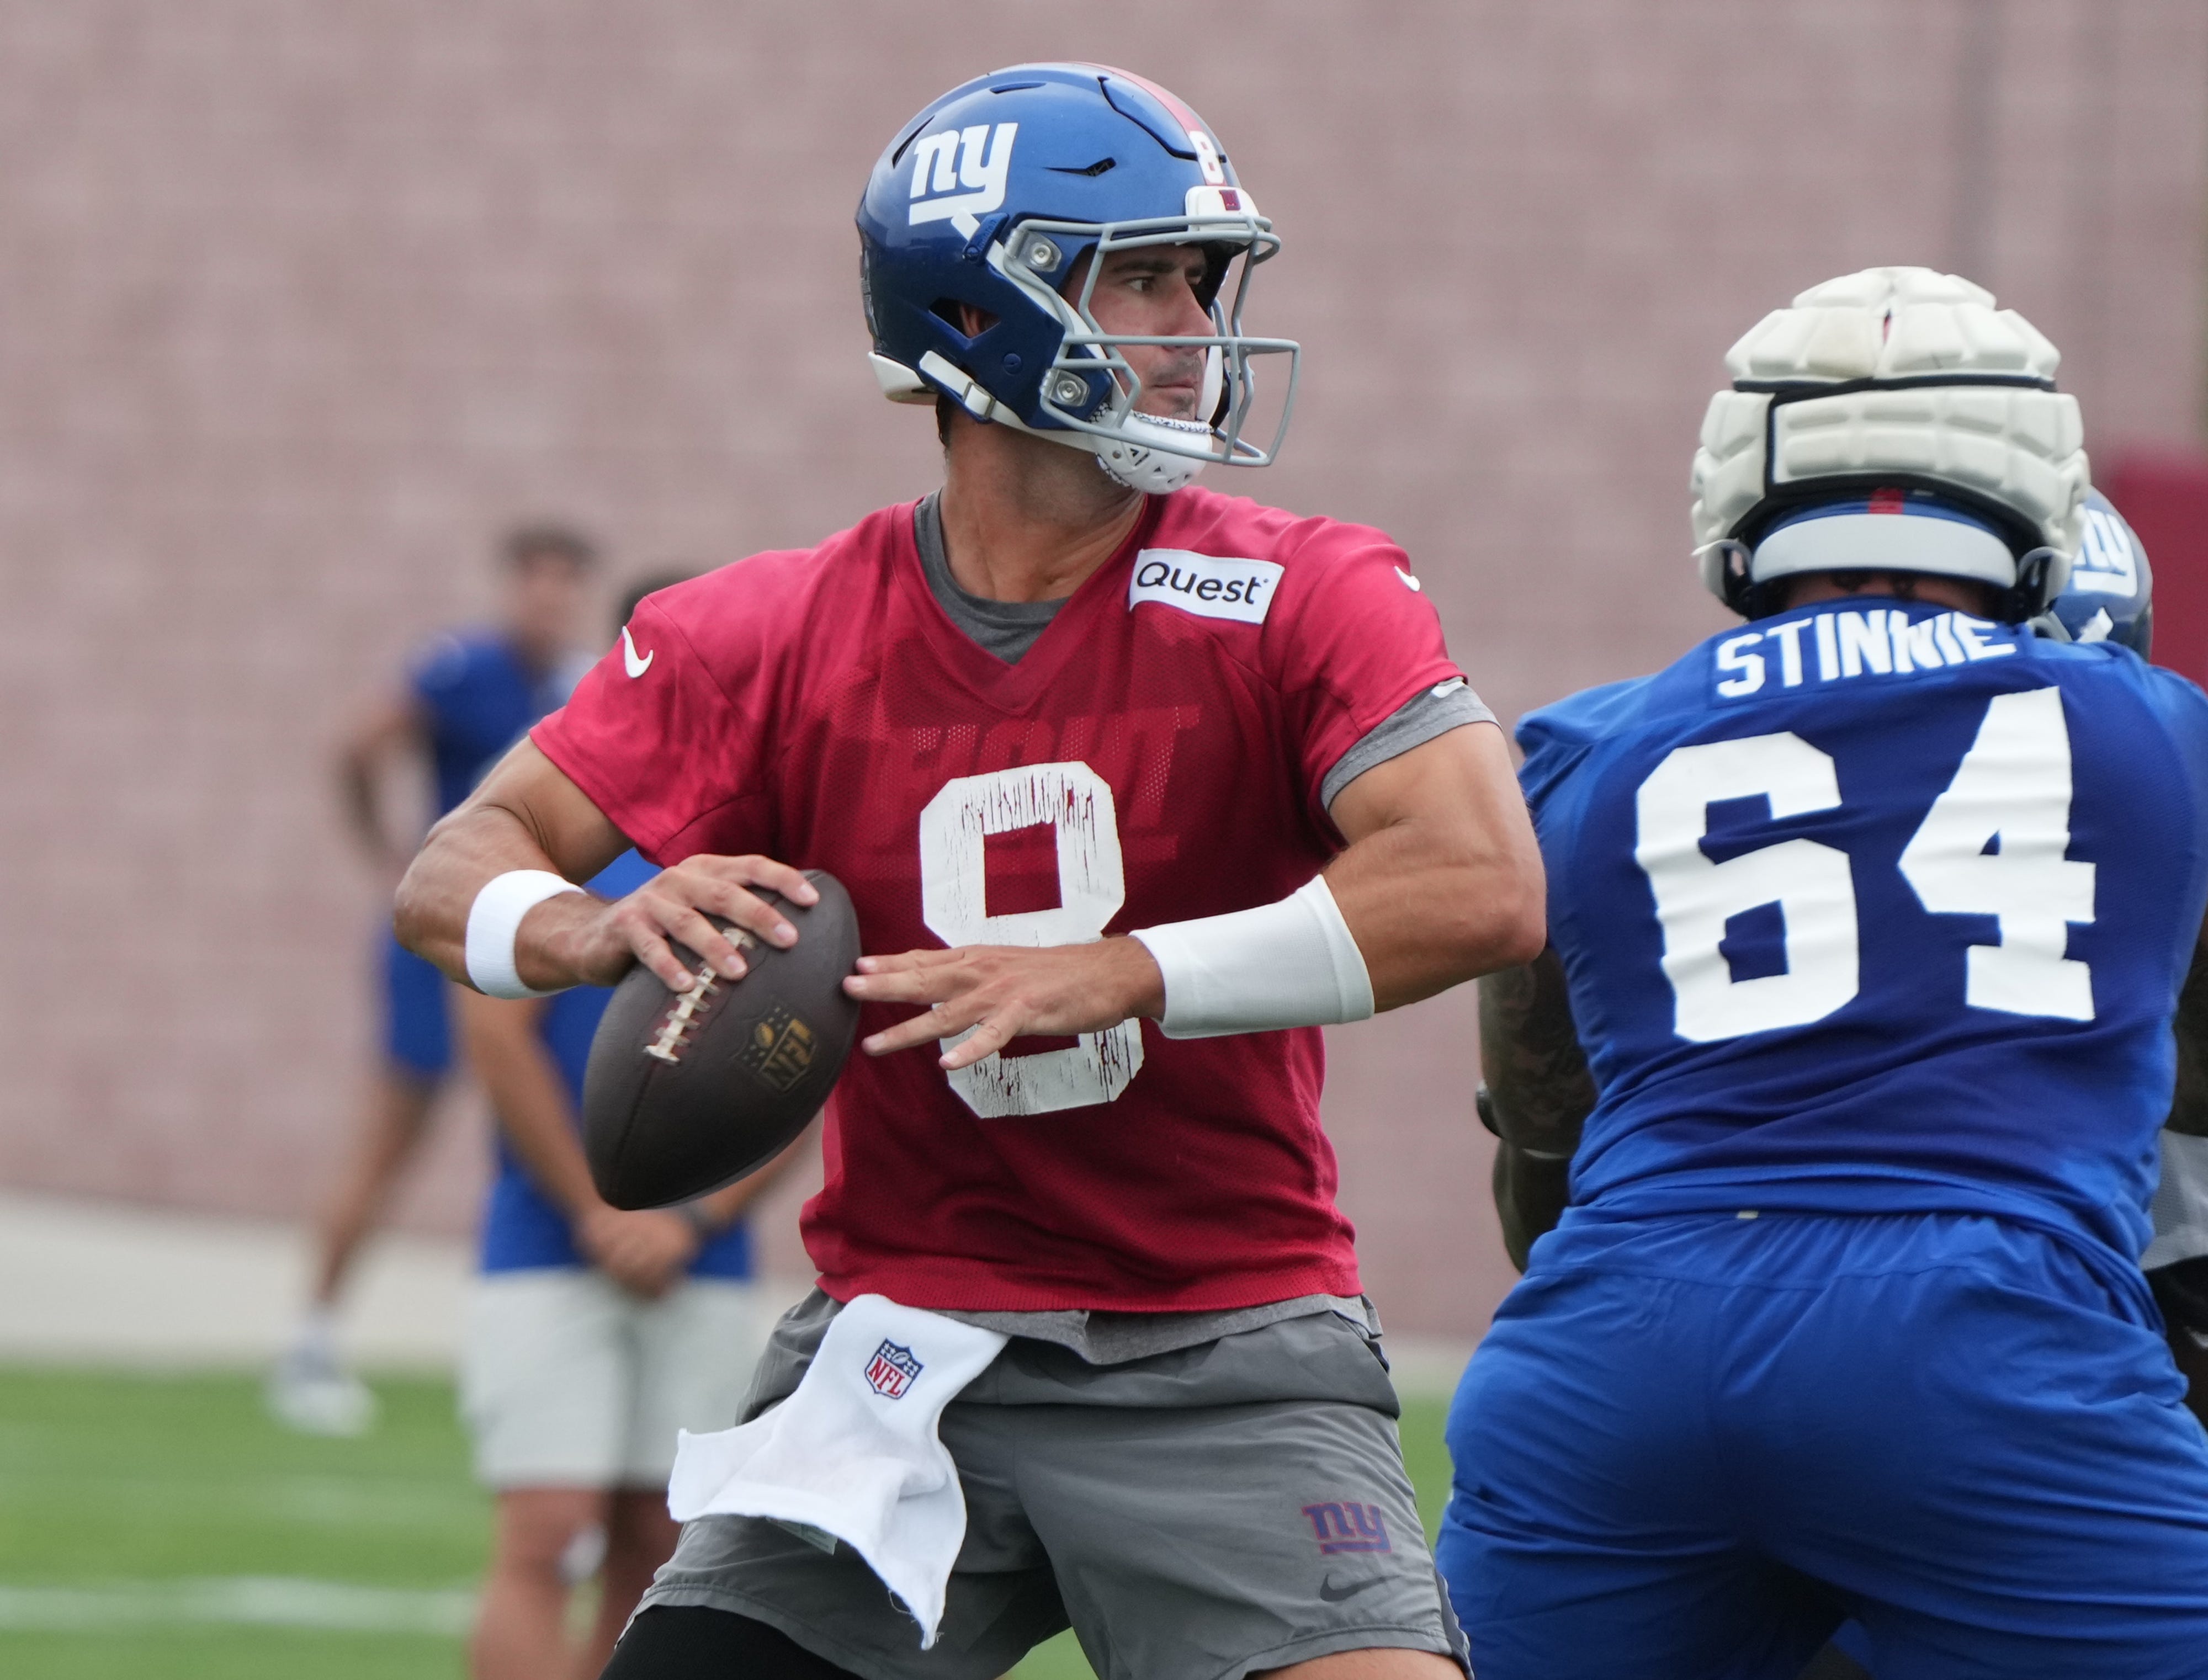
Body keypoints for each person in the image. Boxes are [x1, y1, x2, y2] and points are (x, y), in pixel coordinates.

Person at [395, 62, 1544, 1680]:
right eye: (1141, 274)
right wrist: (595, 924)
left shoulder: (1304, 590)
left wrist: (1132, 968)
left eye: (1201, 279)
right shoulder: (772, 626)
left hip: (1220, 1337)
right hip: (903, 1348)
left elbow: (1484, 881)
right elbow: (453, 868)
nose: (1194, 325)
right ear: (980, 306)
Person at [1442, 266, 2208, 1679]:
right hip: (1983, 1342)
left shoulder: (1574, 752)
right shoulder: (2159, 729)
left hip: (1615, 1346)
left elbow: (1541, 1152)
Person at [268, 525, 600, 1435]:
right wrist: (385, 853)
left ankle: (554, 1355)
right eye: (538, 580)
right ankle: (311, 1336)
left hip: (537, 939)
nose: (552, 599)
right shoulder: (463, 669)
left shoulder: (577, 683)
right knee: (390, 1139)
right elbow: (359, 742)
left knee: (550, 1126)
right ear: (511, 585)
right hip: (451, 937)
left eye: (568, 583)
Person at [457, 833, 798, 1680]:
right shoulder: (557, 850)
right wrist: (596, 1208)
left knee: (662, 1544)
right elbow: (495, 1034)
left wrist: (689, 1222)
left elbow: (805, 1070)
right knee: (548, 1527)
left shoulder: (774, 864)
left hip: (701, 1256)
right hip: (545, 1240)